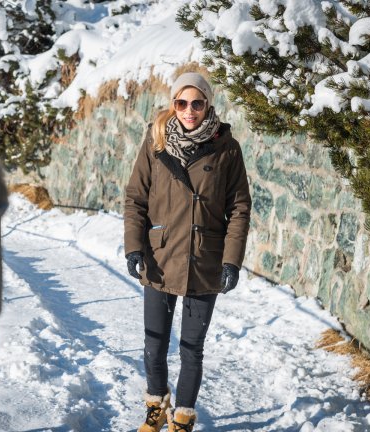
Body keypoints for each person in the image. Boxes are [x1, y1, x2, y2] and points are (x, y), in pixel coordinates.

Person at [124, 72, 251, 432]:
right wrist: (134, 247)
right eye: (182, 103)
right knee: (154, 345)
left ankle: (182, 418)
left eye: (197, 103)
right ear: (173, 104)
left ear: (208, 104)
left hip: (204, 261)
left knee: (191, 349)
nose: (189, 111)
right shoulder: (156, 143)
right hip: (160, 259)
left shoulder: (227, 149)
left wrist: (231, 260)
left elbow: (240, 208)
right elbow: (135, 198)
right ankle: (156, 407)